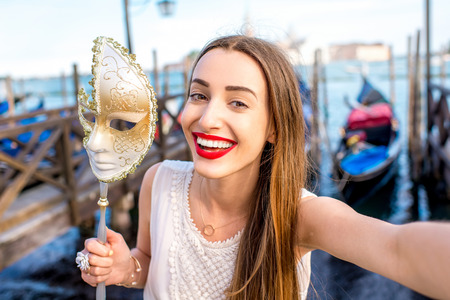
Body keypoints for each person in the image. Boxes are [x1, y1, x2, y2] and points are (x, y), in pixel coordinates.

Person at [77, 35, 450, 299]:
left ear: (274, 126)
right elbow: (147, 263)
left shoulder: (299, 214)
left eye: (238, 103)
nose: (208, 119)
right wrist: (125, 269)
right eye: (198, 95)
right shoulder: (158, 181)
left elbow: (398, 248)